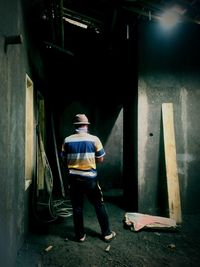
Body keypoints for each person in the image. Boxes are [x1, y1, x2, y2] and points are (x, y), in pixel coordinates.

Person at [61, 114, 116, 242]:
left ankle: (80, 236)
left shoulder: (67, 140)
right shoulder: (94, 139)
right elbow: (101, 159)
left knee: (77, 207)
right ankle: (106, 233)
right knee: (99, 205)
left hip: (74, 179)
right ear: (86, 125)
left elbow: (64, 159)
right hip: (89, 179)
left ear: (75, 126)